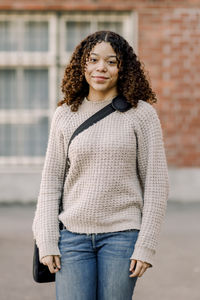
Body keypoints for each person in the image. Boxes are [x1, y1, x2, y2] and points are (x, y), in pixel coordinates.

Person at [32, 30, 169, 299]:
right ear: (82, 64)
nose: (100, 68)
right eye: (93, 59)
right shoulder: (65, 114)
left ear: (122, 68)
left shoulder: (141, 114)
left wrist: (146, 245)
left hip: (122, 237)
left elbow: (156, 185)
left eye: (111, 61)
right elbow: (49, 184)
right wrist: (46, 240)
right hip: (71, 239)